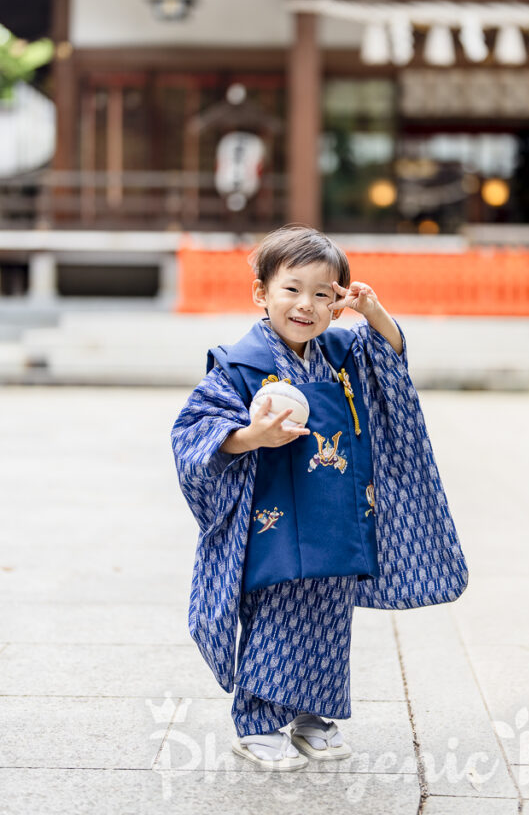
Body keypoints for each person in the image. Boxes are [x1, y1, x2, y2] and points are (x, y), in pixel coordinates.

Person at [171, 223, 469, 771]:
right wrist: (253, 437)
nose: (306, 305)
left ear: (337, 303)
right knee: (278, 607)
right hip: (275, 514)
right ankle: (258, 723)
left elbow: (392, 357)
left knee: (330, 612)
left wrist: (373, 312)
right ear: (262, 293)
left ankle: (313, 717)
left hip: (333, 510)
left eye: (323, 294)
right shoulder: (239, 364)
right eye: (292, 289)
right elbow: (196, 432)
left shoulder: (342, 350)